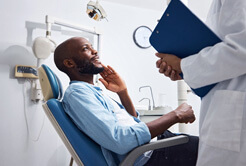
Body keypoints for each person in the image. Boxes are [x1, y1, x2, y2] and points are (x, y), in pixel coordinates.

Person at [54, 37, 199, 166]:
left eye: (92, 46)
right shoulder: (78, 93)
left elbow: (134, 123)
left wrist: (123, 92)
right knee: (215, 151)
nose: (95, 51)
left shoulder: (91, 91)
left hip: (153, 147)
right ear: (69, 63)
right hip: (150, 156)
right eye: (86, 48)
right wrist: (176, 115)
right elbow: (121, 140)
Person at [155, 0, 246, 166]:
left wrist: (183, 65)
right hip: (225, 107)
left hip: (234, 114)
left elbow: (242, 48)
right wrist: (185, 71)